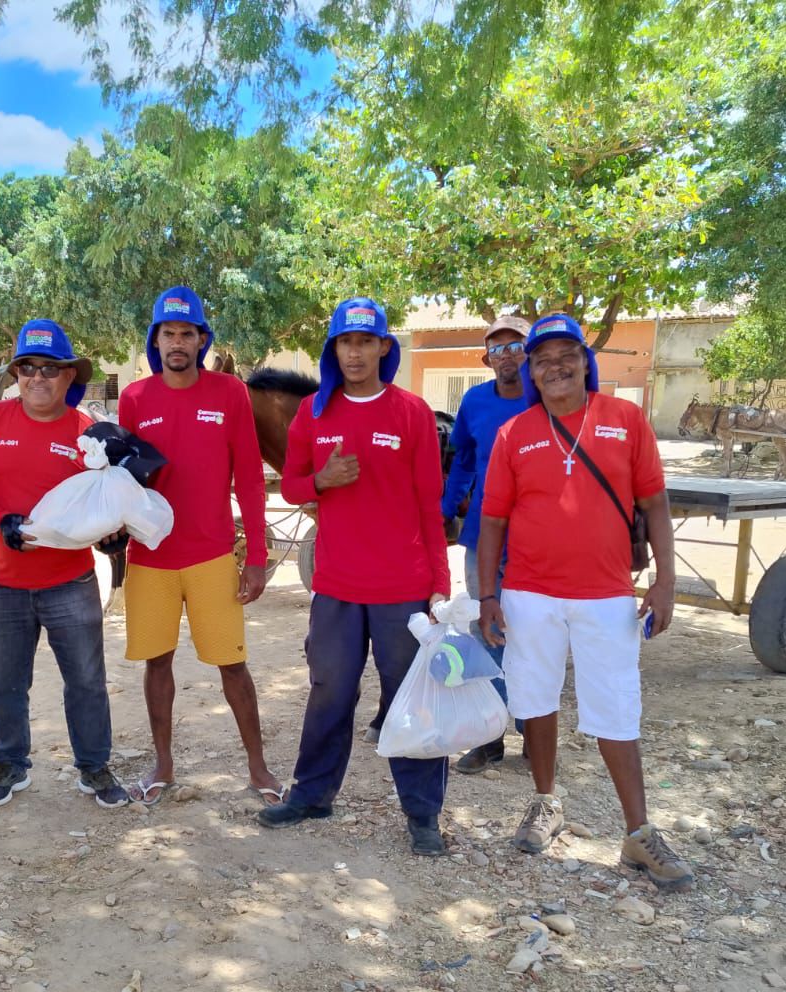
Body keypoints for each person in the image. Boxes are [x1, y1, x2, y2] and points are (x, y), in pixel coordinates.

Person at [476, 313, 692, 890]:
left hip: (606, 594)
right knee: (535, 698)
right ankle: (545, 802)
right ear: (531, 372)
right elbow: (493, 519)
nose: (556, 368)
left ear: (584, 362)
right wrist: (488, 594)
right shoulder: (513, 433)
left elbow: (655, 504)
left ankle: (638, 833)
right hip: (529, 593)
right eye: (543, 360)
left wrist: (665, 581)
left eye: (566, 356)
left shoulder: (624, 419)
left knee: (616, 707)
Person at [257, 298, 452, 856]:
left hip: (402, 588)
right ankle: (312, 794)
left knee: (408, 698)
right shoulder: (314, 413)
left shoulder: (411, 412)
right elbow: (291, 486)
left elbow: (430, 504)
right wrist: (322, 480)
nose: (356, 352)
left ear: (384, 347)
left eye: (366, 342)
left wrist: (439, 582)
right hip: (337, 586)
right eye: (346, 342)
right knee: (329, 692)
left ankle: (422, 813)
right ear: (334, 349)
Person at [0, 319, 130, 809]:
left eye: (50, 368)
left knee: (86, 683)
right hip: (4, 585)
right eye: (27, 367)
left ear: (69, 376)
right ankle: (8, 764)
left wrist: (112, 537)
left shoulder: (86, 433)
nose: (38, 377)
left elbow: (104, 503)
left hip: (71, 583)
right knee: (6, 685)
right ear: (16, 375)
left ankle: (94, 766)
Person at [115, 287, 282, 805]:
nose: (178, 342)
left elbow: (250, 478)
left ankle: (258, 767)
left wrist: (257, 558)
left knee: (233, 665)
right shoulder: (134, 399)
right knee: (157, 663)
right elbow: (121, 481)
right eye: (169, 333)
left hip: (212, 556)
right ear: (156, 340)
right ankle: (163, 764)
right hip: (151, 558)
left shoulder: (229, 393)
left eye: (187, 333)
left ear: (201, 340)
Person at [439, 314, 532, 773]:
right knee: (486, 631)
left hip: (537, 538)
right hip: (483, 536)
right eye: (498, 348)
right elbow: (463, 461)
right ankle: (490, 737)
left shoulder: (548, 399)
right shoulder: (474, 401)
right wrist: (445, 507)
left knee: (533, 633)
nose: (507, 355)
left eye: (516, 346)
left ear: (531, 353)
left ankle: (534, 733)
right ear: (487, 359)